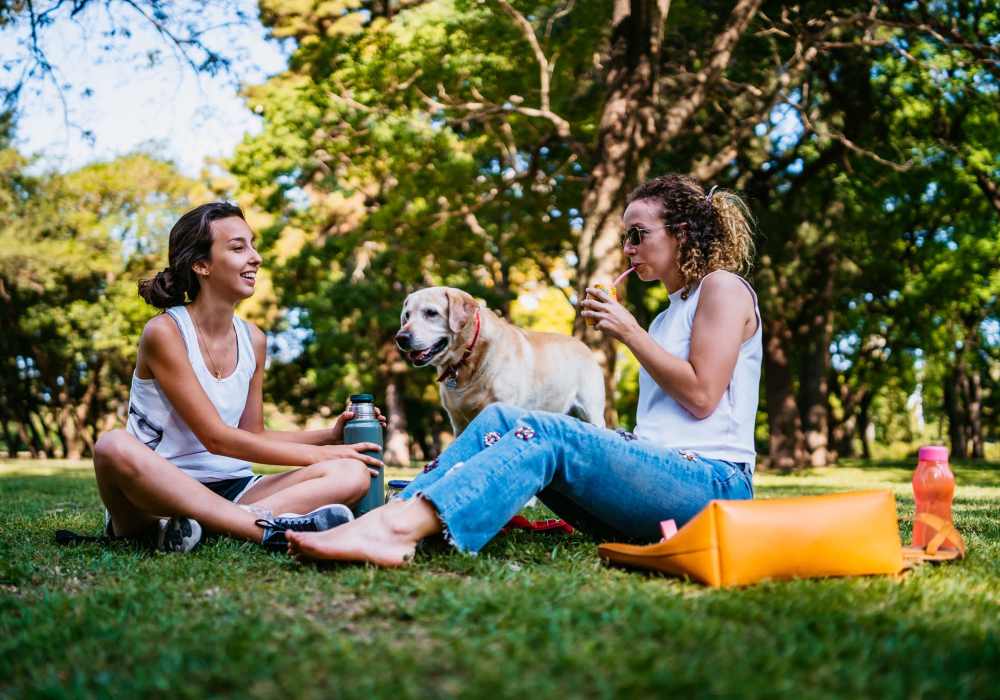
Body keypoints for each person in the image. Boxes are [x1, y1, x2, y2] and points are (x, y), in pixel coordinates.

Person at [287, 174, 761, 567]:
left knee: (547, 432)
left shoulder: (721, 288)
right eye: (624, 238)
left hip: (712, 487)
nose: (628, 249)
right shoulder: (666, 316)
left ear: (681, 232)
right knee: (498, 419)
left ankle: (393, 530)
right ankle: (388, 515)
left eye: (639, 234)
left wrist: (629, 332)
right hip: (657, 491)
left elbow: (702, 396)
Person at [92, 202, 385, 552]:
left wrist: (329, 438)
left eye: (253, 244)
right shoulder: (165, 332)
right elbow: (215, 437)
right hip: (155, 493)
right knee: (111, 445)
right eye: (237, 247)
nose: (255, 257)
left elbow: (252, 434)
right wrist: (321, 457)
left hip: (235, 486)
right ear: (201, 265)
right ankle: (263, 529)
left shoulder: (254, 339)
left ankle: (204, 528)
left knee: (351, 474)